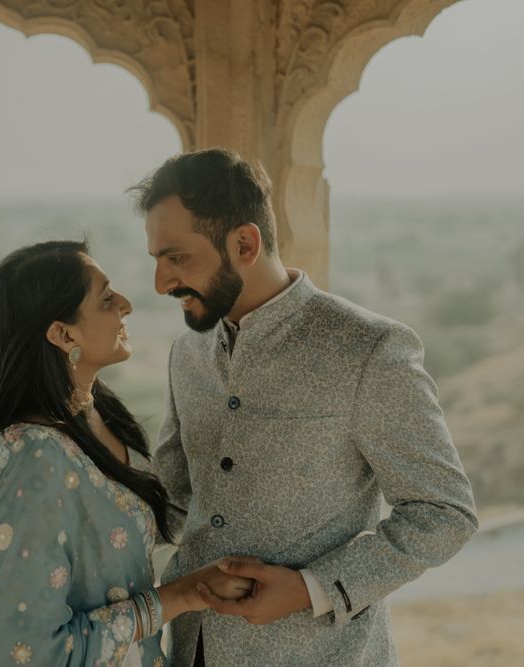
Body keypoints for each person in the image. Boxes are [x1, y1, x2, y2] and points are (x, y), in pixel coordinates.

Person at [130, 148, 480, 666]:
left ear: (245, 243)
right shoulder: (188, 351)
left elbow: (444, 512)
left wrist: (311, 587)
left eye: (176, 257)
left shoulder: (367, 348)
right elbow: (175, 497)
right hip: (191, 649)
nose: (161, 282)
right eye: (156, 259)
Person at [0, 240, 253, 666]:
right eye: (106, 298)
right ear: (62, 333)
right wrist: (180, 596)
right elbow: (30, 652)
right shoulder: (32, 457)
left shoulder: (99, 415)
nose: (125, 304)